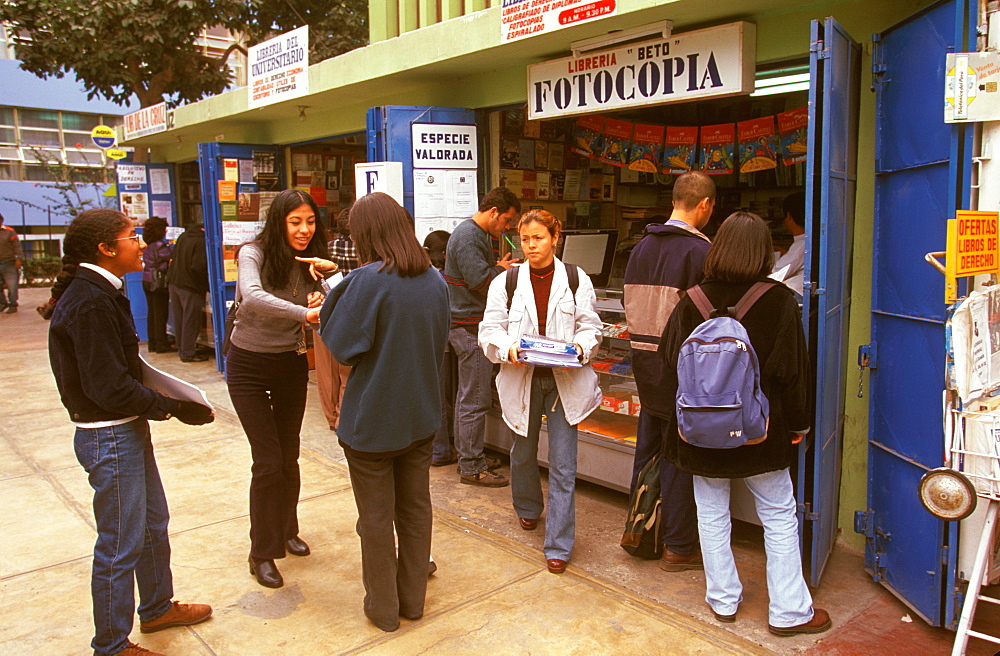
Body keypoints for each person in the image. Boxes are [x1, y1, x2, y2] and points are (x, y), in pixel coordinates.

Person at [47, 208, 215, 656]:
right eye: (131, 236)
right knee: (120, 543)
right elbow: (109, 386)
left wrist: (162, 404)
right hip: (108, 437)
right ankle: (112, 645)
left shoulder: (103, 291)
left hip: (124, 430)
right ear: (106, 249)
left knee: (151, 524)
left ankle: (158, 608)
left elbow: (120, 372)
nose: (140, 243)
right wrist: (173, 408)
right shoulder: (89, 301)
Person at [658, 211, 830, 636]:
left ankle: (723, 600)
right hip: (762, 429)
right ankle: (789, 612)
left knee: (712, 513)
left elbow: (668, 362)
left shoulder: (691, 300)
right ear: (763, 253)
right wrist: (799, 426)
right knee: (778, 514)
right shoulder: (779, 300)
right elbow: (793, 372)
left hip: (699, 432)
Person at [318, 192, 449, 632]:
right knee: (416, 510)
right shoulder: (434, 280)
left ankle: (383, 608)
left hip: (372, 423)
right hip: (421, 416)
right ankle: (412, 600)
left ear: (366, 234)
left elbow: (343, 346)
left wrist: (337, 292)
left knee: (375, 520)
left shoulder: (367, 281)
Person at [479, 210, 602, 574]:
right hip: (524, 378)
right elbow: (490, 329)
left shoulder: (577, 280)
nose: (530, 246)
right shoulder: (507, 282)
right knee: (523, 452)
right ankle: (528, 507)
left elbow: (590, 327)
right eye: (525, 239)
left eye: (539, 238)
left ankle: (559, 544)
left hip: (566, 380)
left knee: (564, 465)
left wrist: (581, 348)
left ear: (555, 237)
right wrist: (507, 349)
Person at [226, 188, 333, 589]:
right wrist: (305, 312)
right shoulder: (252, 253)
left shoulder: (311, 261)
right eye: (295, 222)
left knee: (289, 456)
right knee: (267, 461)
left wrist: (322, 289)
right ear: (279, 222)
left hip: (289, 362)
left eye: (309, 221)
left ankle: (287, 528)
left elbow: (326, 300)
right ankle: (262, 552)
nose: (304, 230)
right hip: (248, 365)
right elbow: (252, 298)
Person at [623, 170, 715, 572]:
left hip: (645, 367)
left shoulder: (640, 247)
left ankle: (640, 534)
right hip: (681, 372)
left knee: (647, 452)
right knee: (679, 456)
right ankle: (678, 544)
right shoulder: (700, 253)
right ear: (705, 205)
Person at [444, 187, 520, 487]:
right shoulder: (467, 237)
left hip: (471, 324)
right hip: (469, 328)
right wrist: (501, 270)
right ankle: (471, 466)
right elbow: (480, 282)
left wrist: (497, 267)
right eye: (507, 221)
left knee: (472, 397)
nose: (508, 228)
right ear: (493, 213)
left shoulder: (477, 235)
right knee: (473, 400)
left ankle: (470, 455)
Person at [314, 207, 358, 431]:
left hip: (324, 313)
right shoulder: (363, 252)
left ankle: (331, 417)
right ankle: (344, 416)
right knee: (347, 370)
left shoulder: (326, 250)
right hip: (352, 315)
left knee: (325, 372)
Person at [423, 229, 459, 466]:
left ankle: (438, 448)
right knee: (442, 399)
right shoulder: (444, 278)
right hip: (441, 345)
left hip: (424, 345)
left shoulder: (421, 274)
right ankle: (441, 450)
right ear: (446, 253)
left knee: (434, 397)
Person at [167, 222, 209, 362]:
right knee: (191, 320)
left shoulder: (183, 236)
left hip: (175, 282)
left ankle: (182, 349)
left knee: (180, 319)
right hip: (190, 285)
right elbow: (198, 266)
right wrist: (207, 285)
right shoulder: (201, 241)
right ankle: (188, 352)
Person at [141, 217, 174, 353]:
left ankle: (153, 342)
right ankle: (161, 344)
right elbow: (171, 257)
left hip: (147, 280)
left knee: (152, 313)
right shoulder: (160, 245)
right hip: (158, 281)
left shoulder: (147, 243)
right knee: (161, 313)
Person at [772, 191, 806, 299]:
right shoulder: (804, 243)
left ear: (789, 216)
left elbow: (776, 275)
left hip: (796, 295)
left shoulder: (802, 245)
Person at [0, 211, 22, 313]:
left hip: (8, 262)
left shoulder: (9, 231)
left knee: (11, 285)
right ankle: (2, 303)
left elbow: (17, 246)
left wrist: (18, 259)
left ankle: (13, 304)